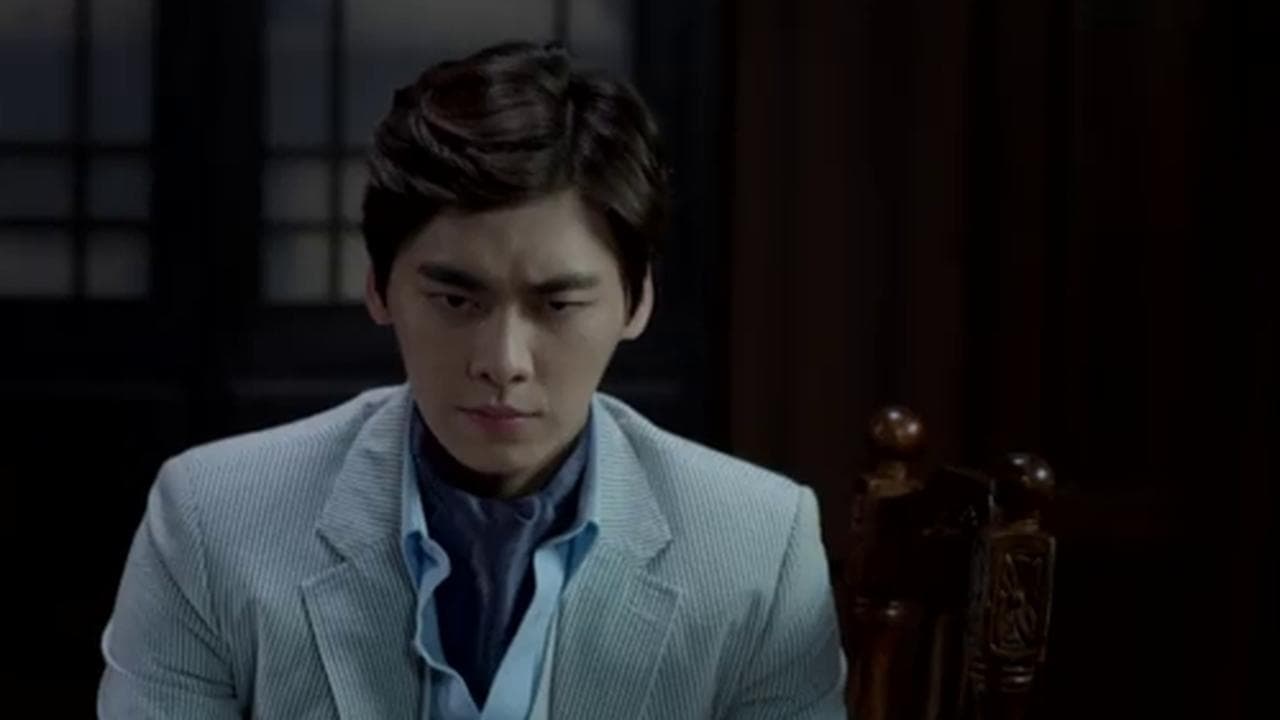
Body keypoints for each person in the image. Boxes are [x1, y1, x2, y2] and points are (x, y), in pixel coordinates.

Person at [97, 41, 846, 719]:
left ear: (637, 300)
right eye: (456, 300)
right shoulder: (213, 521)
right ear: (378, 287)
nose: (504, 360)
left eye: (557, 304)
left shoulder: (757, 546)